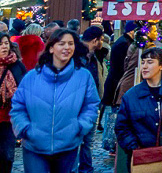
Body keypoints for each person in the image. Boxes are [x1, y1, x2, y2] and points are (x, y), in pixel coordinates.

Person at [10, 28, 100, 173]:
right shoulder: (32, 77)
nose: (67, 47)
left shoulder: (83, 77)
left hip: (68, 145)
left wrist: (79, 126)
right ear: (51, 48)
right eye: (61, 43)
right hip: (35, 146)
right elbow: (18, 106)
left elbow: (91, 105)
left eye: (70, 43)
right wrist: (25, 128)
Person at [102, 22, 137, 154]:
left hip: (116, 82)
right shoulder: (124, 44)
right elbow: (124, 67)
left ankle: (113, 145)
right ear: (132, 31)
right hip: (117, 83)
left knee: (114, 114)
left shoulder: (123, 41)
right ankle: (112, 146)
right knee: (115, 116)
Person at [77, 26, 106, 173]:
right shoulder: (79, 57)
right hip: (80, 104)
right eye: (101, 40)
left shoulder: (95, 55)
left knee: (87, 140)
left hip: (92, 102)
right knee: (82, 140)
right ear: (95, 40)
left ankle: (86, 168)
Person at [0, 33, 26, 173]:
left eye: (6, 43)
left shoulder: (16, 65)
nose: (4, 46)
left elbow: (25, 90)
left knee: (7, 155)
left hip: (9, 118)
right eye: (1, 44)